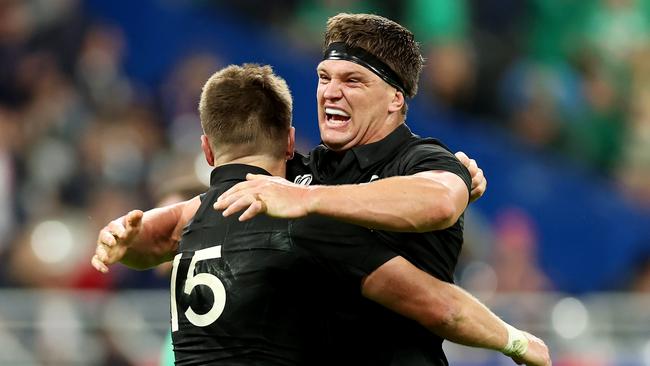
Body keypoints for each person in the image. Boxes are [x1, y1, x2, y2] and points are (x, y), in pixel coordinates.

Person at [94, 63, 549, 366]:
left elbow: (151, 244)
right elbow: (440, 307)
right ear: (290, 143)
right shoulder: (303, 222)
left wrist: (123, 237)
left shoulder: (192, 222)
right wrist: (518, 341)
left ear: (208, 149)